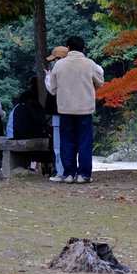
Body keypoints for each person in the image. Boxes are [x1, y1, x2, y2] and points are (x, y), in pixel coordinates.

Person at [45, 36, 104, 184]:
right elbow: (100, 82)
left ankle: (69, 173)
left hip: (65, 109)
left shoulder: (59, 66)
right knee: (84, 143)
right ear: (83, 49)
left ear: (68, 48)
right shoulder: (89, 64)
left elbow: (52, 89)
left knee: (67, 143)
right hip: (85, 109)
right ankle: (83, 175)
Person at [43, 46, 67, 182]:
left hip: (58, 111)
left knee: (58, 144)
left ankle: (61, 171)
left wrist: (48, 77)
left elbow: (53, 89)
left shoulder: (57, 72)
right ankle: (69, 170)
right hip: (71, 110)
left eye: (55, 59)